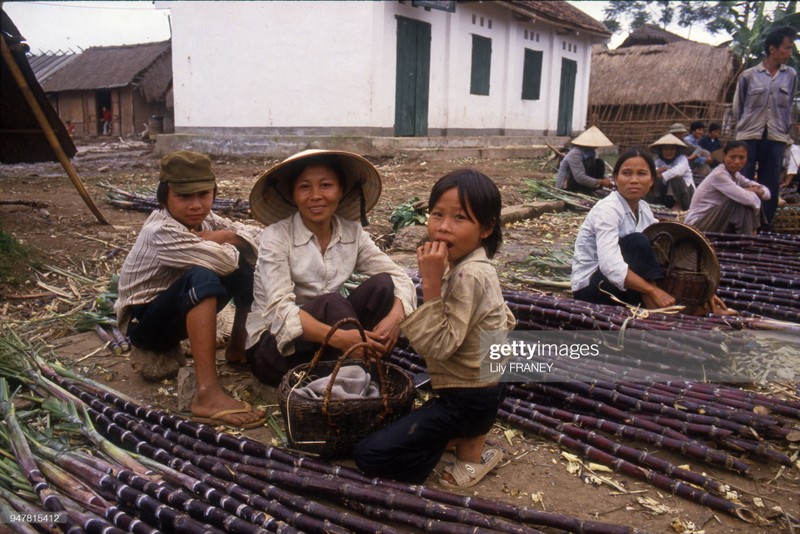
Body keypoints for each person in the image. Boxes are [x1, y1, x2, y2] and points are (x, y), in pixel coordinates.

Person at [354, 169, 514, 487]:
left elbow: (439, 346)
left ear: (486, 228)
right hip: (478, 390)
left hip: (469, 398)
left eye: (459, 218)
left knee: (369, 455)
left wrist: (429, 285)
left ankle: (467, 449)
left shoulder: (471, 275)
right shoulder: (467, 266)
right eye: (437, 214)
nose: (442, 227)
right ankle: (467, 435)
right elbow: (505, 320)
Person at [115, 150, 265, 428]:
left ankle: (238, 348)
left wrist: (229, 236)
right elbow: (223, 260)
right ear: (165, 197)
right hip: (148, 324)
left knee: (250, 266)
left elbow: (262, 239)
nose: (195, 205)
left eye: (203, 195)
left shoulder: (207, 221)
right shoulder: (160, 230)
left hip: (176, 310)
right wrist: (233, 241)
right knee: (203, 274)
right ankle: (206, 394)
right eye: (183, 197)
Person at [245, 150, 416, 387]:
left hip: (328, 345)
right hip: (275, 350)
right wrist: (344, 339)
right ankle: (360, 382)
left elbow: (399, 276)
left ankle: (358, 370)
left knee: (383, 285)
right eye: (305, 187)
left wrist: (396, 317)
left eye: (326, 185)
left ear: (341, 190)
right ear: (293, 194)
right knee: (332, 302)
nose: (316, 196)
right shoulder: (276, 237)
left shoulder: (351, 233)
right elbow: (279, 311)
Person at [572, 149, 676, 309]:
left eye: (642, 174)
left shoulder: (644, 208)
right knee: (638, 241)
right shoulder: (608, 209)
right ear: (615, 178)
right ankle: (654, 307)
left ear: (652, 180)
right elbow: (610, 266)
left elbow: (658, 243)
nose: (634, 180)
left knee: (654, 241)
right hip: (592, 288)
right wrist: (653, 290)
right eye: (627, 173)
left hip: (621, 285)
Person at [733, 25, 798, 228]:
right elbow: (738, 107)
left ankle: (765, 224)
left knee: (770, 182)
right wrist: (742, 132)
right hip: (749, 135)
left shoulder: (791, 75)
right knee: (743, 179)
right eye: (786, 48)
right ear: (773, 49)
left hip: (776, 136)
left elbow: (789, 108)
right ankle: (741, 223)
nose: (789, 53)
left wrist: (786, 132)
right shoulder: (749, 76)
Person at [685, 141, 770, 235]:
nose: (737, 161)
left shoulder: (737, 176)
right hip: (697, 226)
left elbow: (767, 193)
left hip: (715, 221)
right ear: (724, 156)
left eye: (742, 157)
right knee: (740, 201)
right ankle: (750, 238)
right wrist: (752, 192)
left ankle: (750, 236)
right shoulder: (719, 175)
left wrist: (760, 191)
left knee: (745, 199)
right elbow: (748, 199)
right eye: (732, 157)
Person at [555, 126, 614, 194]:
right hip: (575, 183)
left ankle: (595, 189)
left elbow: (594, 169)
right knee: (590, 161)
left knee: (599, 162)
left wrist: (605, 180)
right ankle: (582, 190)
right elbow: (580, 177)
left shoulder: (590, 152)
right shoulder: (575, 153)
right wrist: (601, 182)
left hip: (587, 181)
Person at [647, 133, 695, 210]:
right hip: (667, 196)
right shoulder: (659, 161)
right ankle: (655, 203)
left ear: (677, 150)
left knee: (675, 178)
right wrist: (658, 171)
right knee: (652, 178)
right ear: (661, 150)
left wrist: (663, 173)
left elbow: (677, 172)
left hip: (686, 196)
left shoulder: (682, 159)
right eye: (666, 149)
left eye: (672, 149)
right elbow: (652, 169)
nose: (669, 152)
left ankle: (677, 205)